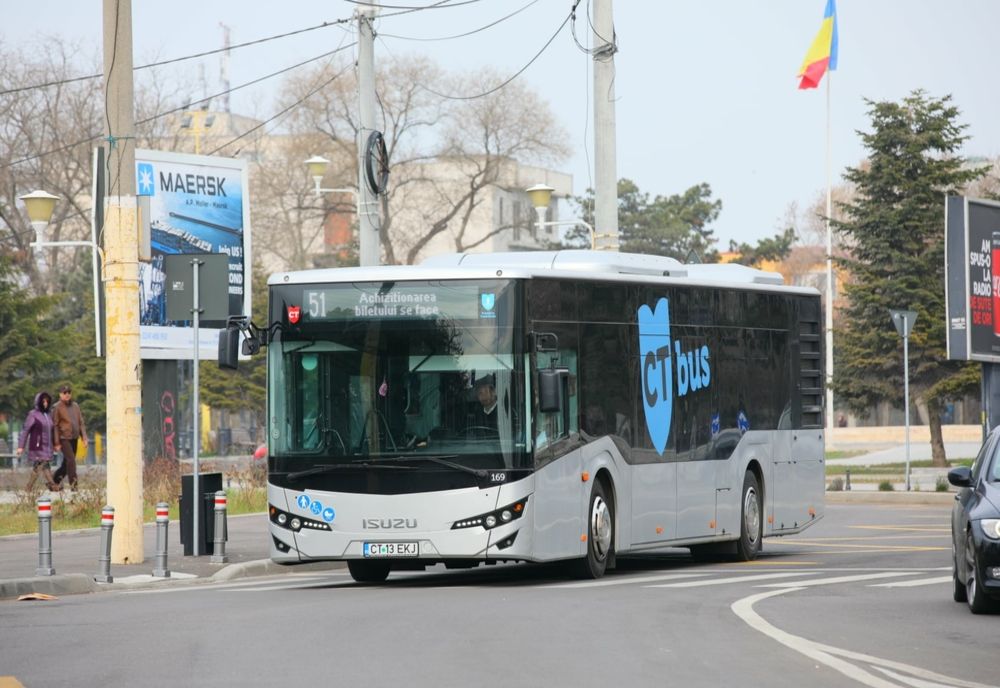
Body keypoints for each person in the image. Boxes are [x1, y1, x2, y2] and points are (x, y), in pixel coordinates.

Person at [16, 391, 61, 492]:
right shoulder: (33, 414)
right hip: (37, 445)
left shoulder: (49, 414)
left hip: (47, 445)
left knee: (38, 467)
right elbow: (25, 430)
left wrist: (55, 443)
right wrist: (21, 446)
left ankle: (28, 487)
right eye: (43, 401)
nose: (45, 403)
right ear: (39, 402)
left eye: (47, 401)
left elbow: (52, 430)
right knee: (44, 464)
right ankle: (53, 485)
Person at [52, 384, 88, 490]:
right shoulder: (57, 407)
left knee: (66, 463)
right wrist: (57, 442)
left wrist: (84, 437)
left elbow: (81, 422)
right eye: (64, 393)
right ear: (60, 394)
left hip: (74, 438)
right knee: (71, 460)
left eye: (69, 392)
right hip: (64, 438)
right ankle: (74, 486)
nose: (67, 394)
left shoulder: (75, 406)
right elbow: (55, 426)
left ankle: (55, 480)